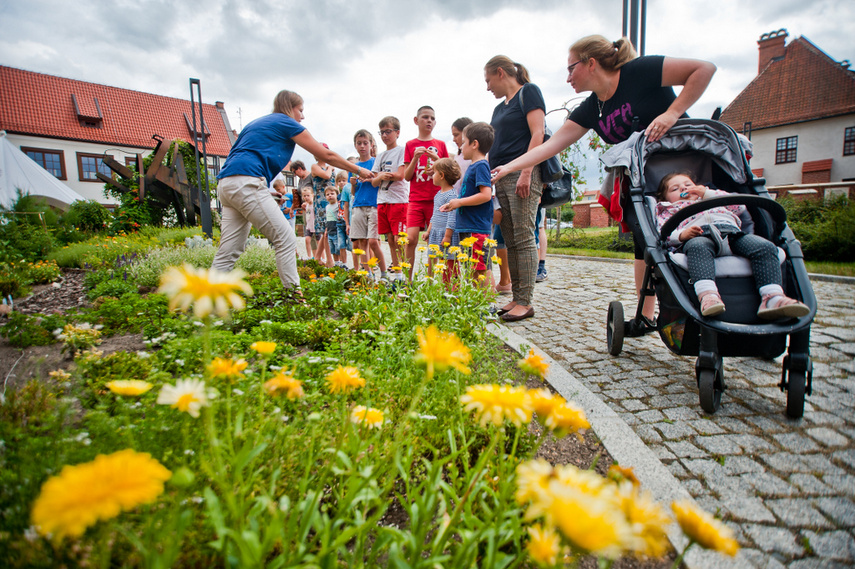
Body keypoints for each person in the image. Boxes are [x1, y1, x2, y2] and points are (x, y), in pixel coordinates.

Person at [491, 36, 716, 325]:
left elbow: (704, 69)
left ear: (591, 63)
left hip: (682, 170)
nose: (568, 77)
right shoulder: (592, 108)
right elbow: (551, 144)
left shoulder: (639, 71)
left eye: (571, 68)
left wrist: (672, 113)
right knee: (644, 242)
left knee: (694, 232)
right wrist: (509, 167)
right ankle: (645, 317)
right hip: (643, 181)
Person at [212, 90, 373, 289]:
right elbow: (327, 155)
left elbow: (238, 156)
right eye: (300, 110)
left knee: (228, 251)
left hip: (226, 184)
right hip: (248, 182)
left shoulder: (255, 124)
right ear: (290, 108)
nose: (302, 116)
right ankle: (294, 296)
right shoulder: (286, 122)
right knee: (286, 239)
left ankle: (207, 305)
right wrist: (359, 170)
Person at [656, 171, 809, 320]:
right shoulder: (668, 209)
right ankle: (708, 296)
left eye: (688, 184)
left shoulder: (713, 198)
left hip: (733, 234)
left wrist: (707, 194)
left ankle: (772, 297)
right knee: (698, 248)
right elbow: (663, 232)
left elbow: (740, 206)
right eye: (675, 189)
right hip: (699, 236)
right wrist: (681, 235)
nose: (683, 188)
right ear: (665, 198)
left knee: (766, 247)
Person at [483, 55, 548, 322]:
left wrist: (527, 171)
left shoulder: (529, 92)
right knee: (509, 239)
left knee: (523, 237)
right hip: (501, 177)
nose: (487, 87)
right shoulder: (499, 109)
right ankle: (516, 297)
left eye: (488, 80)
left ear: (501, 73)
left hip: (523, 174)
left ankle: (526, 301)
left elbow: (537, 133)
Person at [440, 122, 495, 290]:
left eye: (464, 142)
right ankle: (478, 303)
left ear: (474, 144)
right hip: (468, 227)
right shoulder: (473, 166)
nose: (461, 146)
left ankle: (489, 305)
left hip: (476, 228)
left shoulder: (481, 166)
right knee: (472, 268)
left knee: (480, 269)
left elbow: (486, 195)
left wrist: (460, 202)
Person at [403, 106, 449, 279]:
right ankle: (406, 281)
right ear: (416, 121)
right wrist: (415, 158)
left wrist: (437, 162)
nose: (429, 120)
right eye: (425, 117)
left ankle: (430, 282)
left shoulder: (441, 145)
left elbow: (449, 171)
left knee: (433, 241)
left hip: (436, 200)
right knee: (410, 239)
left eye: (432, 118)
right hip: (416, 199)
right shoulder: (410, 145)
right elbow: (406, 176)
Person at [372, 116, 409, 276]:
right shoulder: (380, 156)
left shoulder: (402, 150)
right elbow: (373, 181)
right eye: (381, 132)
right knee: (389, 239)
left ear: (397, 132)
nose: (385, 135)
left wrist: (381, 176)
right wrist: (380, 177)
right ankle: (398, 274)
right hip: (383, 201)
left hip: (398, 201)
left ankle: (405, 274)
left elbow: (401, 175)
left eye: (388, 131)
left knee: (399, 239)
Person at [350, 129, 387, 276]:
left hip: (374, 205)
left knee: (373, 241)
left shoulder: (376, 162)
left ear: (371, 145)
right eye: (359, 143)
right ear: (355, 145)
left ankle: (384, 272)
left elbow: (381, 183)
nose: (362, 146)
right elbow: (353, 192)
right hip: (358, 205)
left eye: (365, 143)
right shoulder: (353, 167)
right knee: (361, 243)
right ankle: (368, 273)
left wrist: (371, 179)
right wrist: (353, 183)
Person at [424, 157, 462, 278]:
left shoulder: (451, 195)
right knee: (432, 259)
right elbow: (435, 215)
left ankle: (452, 289)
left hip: (446, 234)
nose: (432, 175)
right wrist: (428, 231)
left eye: (434, 172)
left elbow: (452, 218)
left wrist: (447, 236)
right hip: (436, 232)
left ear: (441, 175)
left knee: (449, 264)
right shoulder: (438, 194)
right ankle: (430, 284)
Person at [311, 153, 334, 265]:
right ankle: (329, 260)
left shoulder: (330, 168)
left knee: (327, 229)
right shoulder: (315, 167)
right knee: (326, 230)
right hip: (322, 202)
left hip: (331, 201)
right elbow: (327, 176)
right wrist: (330, 167)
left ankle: (317, 258)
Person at [334, 171, 352, 268]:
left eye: (344, 180)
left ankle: (357, 263)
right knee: (341, 244)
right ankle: (344, 264)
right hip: (339, 222)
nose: (341, 183)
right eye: (339, 181)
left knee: (351, 245)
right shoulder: (338, 196)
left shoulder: (349, 194)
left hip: (348, 221)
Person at [324, 185, 340, 268]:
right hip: (330, 230)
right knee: (332, 249)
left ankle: (340, 262)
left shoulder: (338, 205)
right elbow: (327, 219)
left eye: (332, 194)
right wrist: (326, 230)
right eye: (327, 194)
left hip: (336, 229)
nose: (330, 196)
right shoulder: (327, 207)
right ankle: (336, 262)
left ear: (337, 194)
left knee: (338, 248)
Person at [301, 187, 315, 261]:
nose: (306, 197)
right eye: (304, 196)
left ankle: (322, 257)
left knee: (318, 241)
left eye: (308, 195)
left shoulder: (314, 204)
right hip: (309, 226)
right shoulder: (306, 205)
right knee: (307, 239)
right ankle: (309, 256)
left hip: (315, 225)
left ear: (312, 195)